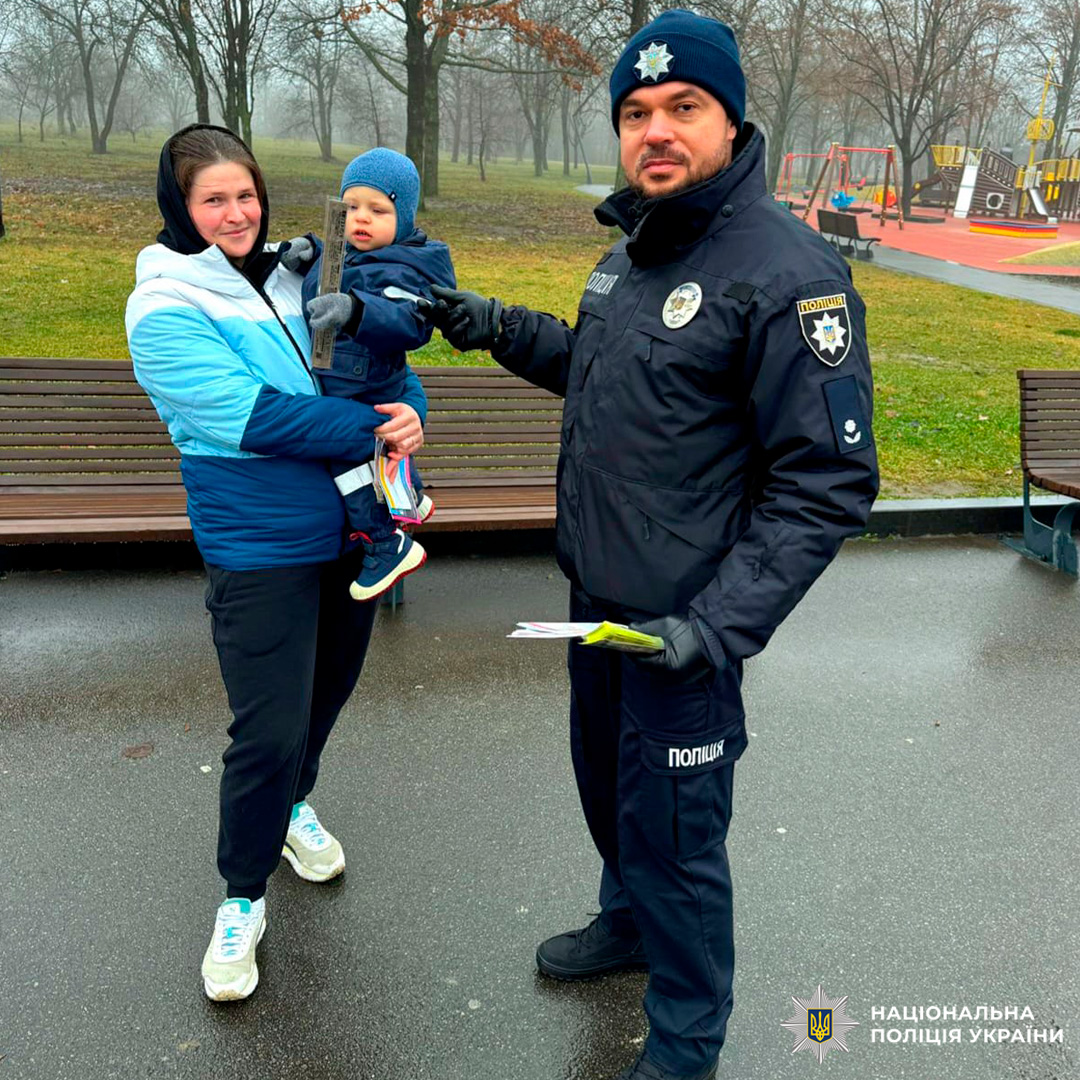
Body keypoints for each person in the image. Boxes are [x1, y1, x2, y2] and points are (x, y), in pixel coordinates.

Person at [428, 10, 879, 1079]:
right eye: (636, 113)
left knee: (680, 843)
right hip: (595, 608)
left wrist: (713, 632)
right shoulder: (633, 250)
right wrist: (493, 325)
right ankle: (625, 923)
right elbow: (606, 372)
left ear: (732, 121)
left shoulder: (789, 273)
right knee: (606, 792)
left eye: (685, 108)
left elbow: (828, 481)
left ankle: (685, 1039)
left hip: (682, 634)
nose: (657, 131)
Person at [125, 124, 429, 1002]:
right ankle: (242, 897)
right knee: (267, 728)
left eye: (246, 195)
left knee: (325, 694)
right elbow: (254, 418)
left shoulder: (301, 275)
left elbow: (378, 364)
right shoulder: (163, 306)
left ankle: (296, 808)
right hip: (258, 539)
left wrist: (407, 415)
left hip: (350, 530)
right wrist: (373, 427)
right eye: (212, 199)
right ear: (179, 208)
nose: (235, 213)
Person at [279, 148, 456, 601]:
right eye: (351, 206)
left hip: (364, 383)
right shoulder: (353, 247)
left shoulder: (408, 268)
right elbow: (337, 260)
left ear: (404, 216)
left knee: (350, 467)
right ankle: (409, 497)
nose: (361, 219)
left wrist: (355, 311)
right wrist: (310, 249)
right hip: (345, 378)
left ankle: (385, 543)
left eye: (378, 210)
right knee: (383, 452)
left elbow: (411, 322)